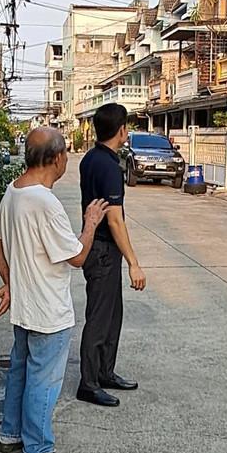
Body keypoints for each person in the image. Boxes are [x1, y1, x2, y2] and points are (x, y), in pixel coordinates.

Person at [0, 127, 109, 453]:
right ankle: (37, 449)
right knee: (43, 381)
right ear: (57, 158)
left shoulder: (13, 191)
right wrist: (90, 224)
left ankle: (11, 434)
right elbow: (77, 256)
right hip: (47, 311)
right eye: (66, 154)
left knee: (20, 372)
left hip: (25, 308)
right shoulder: (45, 203)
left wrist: (10, 283)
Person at [77, 101, 146, 408]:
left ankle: (105, 372)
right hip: (103, 249)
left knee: (112, 315)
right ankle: (89, 383)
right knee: (99, 317)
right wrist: (134, 263)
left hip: (100, 249)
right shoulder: (108, 166)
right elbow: (115, 220)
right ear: (121, 130)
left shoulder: (91, 158)